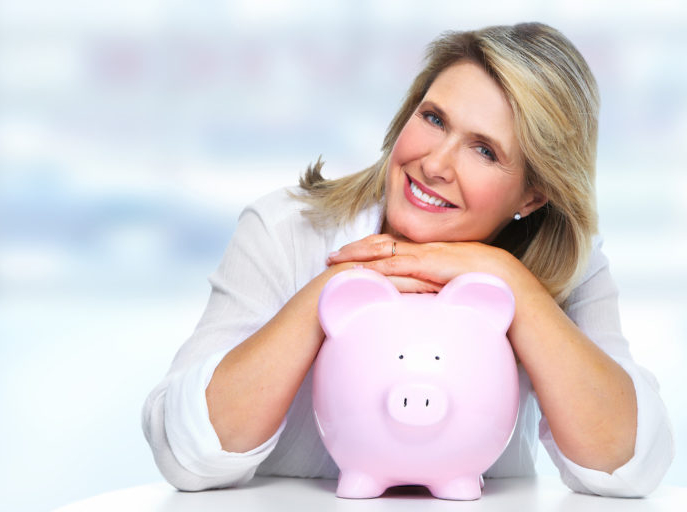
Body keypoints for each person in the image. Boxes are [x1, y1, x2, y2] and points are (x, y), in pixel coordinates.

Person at [141, 22, 674, 498]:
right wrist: (333, 291)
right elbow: (185, 452)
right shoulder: (285, 229)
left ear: (533, 196)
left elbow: (627, 465)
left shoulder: (570, 269)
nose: (435, 163)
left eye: (485, 150)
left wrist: (513, 284)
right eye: (435, 119)